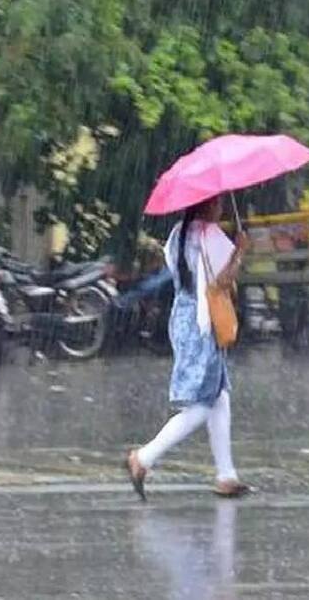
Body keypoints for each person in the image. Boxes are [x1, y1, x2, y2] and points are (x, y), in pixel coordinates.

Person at [126, 196, 250, 501]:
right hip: (205, 322)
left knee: (219, 395)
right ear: (206, 207)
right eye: (218, 203)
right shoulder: (211, 236)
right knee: (201, 405)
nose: (221, 207)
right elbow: (221, 282)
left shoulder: (177, 235)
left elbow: (185, 276)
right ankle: (144, 457)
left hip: (183, 318)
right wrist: (239, 253)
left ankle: (226, 474)